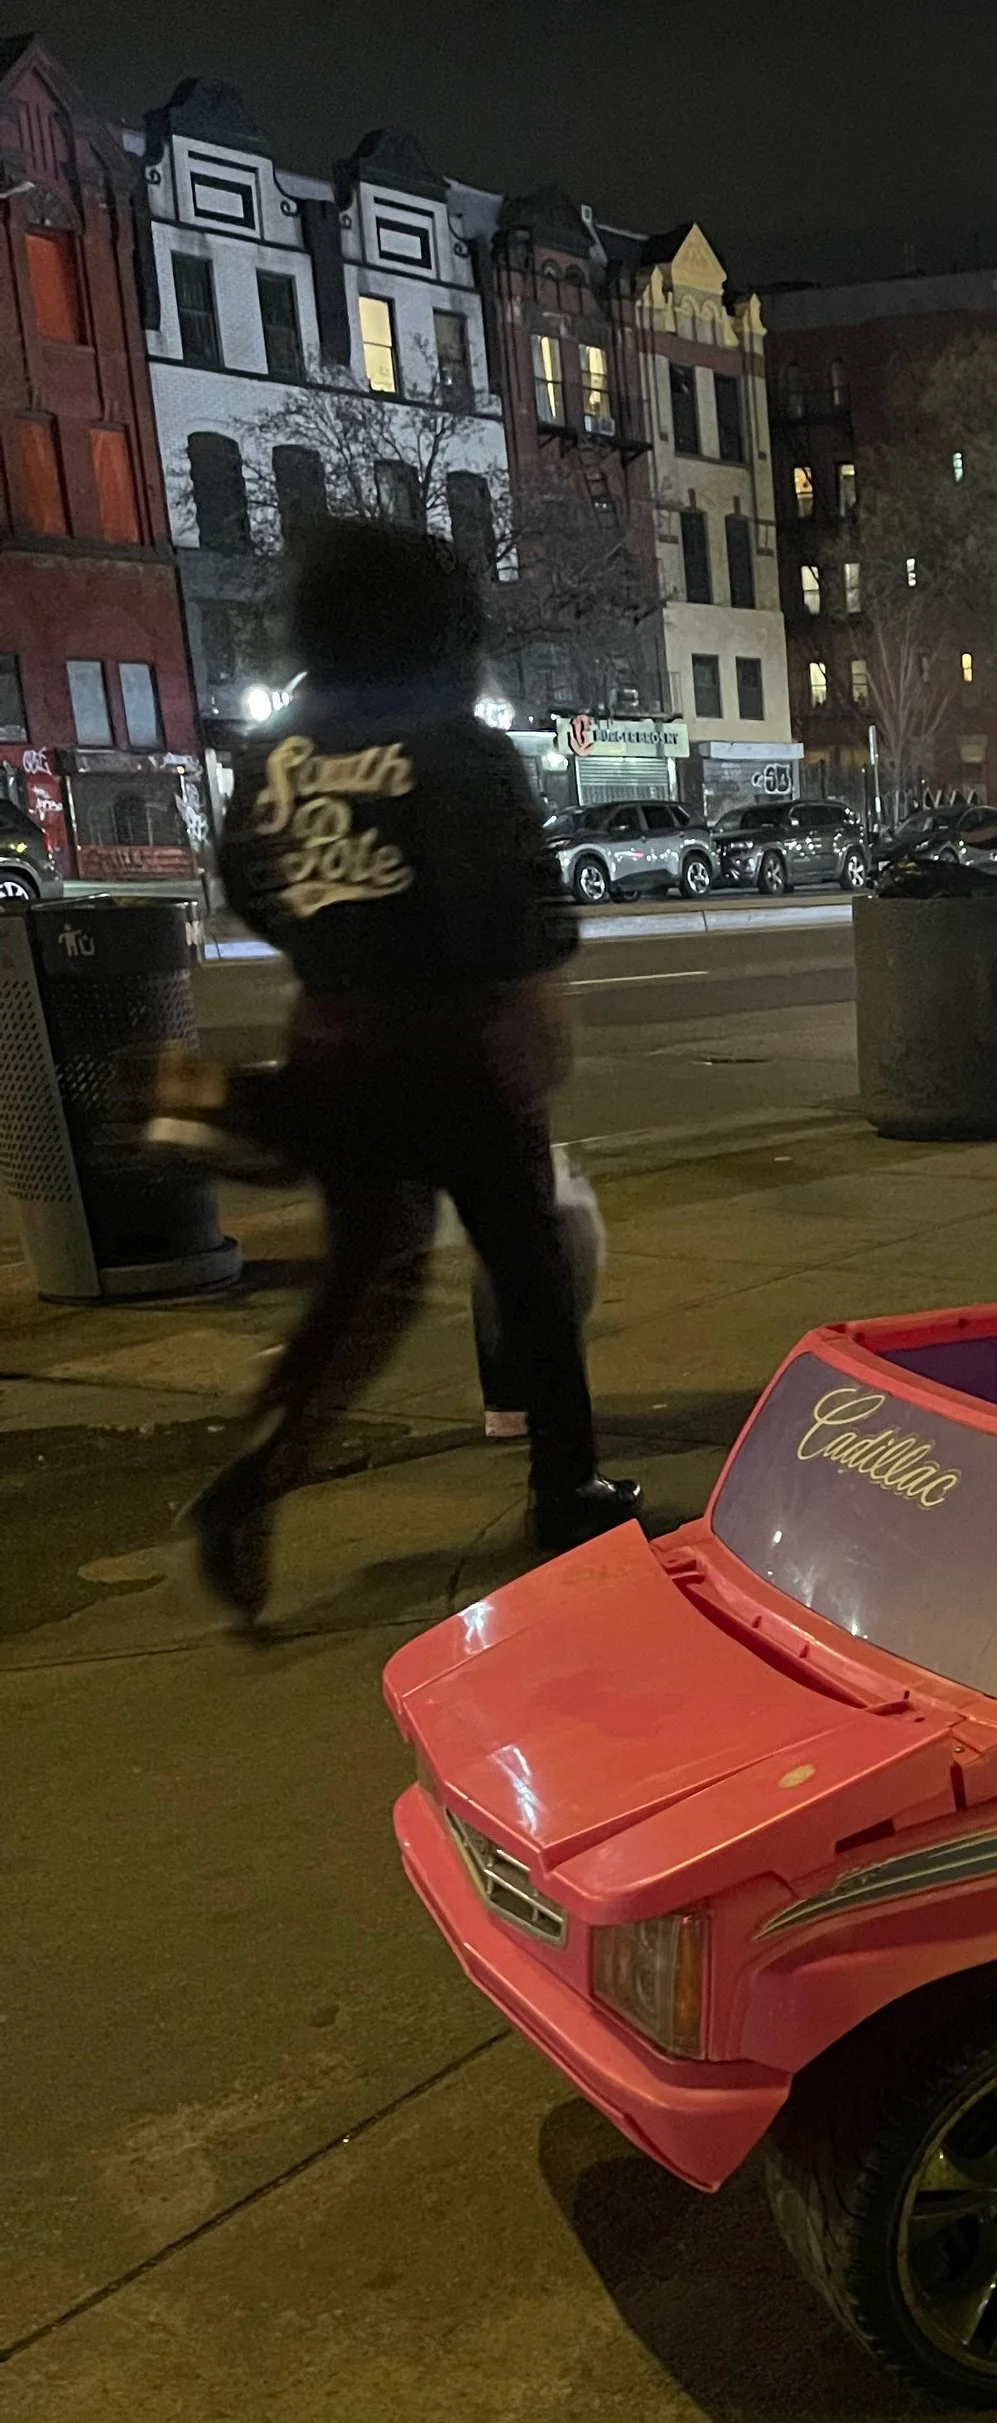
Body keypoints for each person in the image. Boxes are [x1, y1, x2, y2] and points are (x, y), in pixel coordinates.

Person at [189, 522, 637, 1623]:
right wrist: (529, 998)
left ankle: (259, 1473)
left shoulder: (274, 753)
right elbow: (511, 912)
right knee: (528, 1274)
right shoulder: (455, 748)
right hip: (458, 1052)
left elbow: (247, 882)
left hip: (333, 1040)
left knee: (364, 1281)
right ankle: (565, 1485)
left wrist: (334, 952)